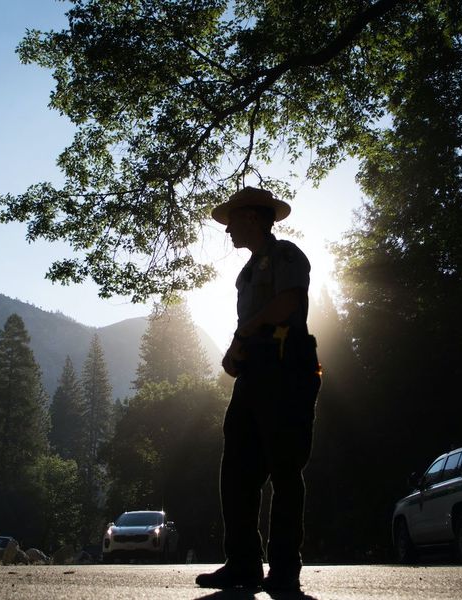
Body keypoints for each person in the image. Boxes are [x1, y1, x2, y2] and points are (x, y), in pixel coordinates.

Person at [196, 186, 322, 593]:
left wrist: (246, 331)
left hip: (287, 369)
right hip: (255, 374)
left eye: (232, 220)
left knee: (285, 469)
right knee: (236, 471)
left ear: (252, 217)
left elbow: (288, 303)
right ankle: (244, 564)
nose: (228, 229)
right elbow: (251, 322)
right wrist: (235, 352)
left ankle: (285, 568)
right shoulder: (246, 273)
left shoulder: (286, 255)